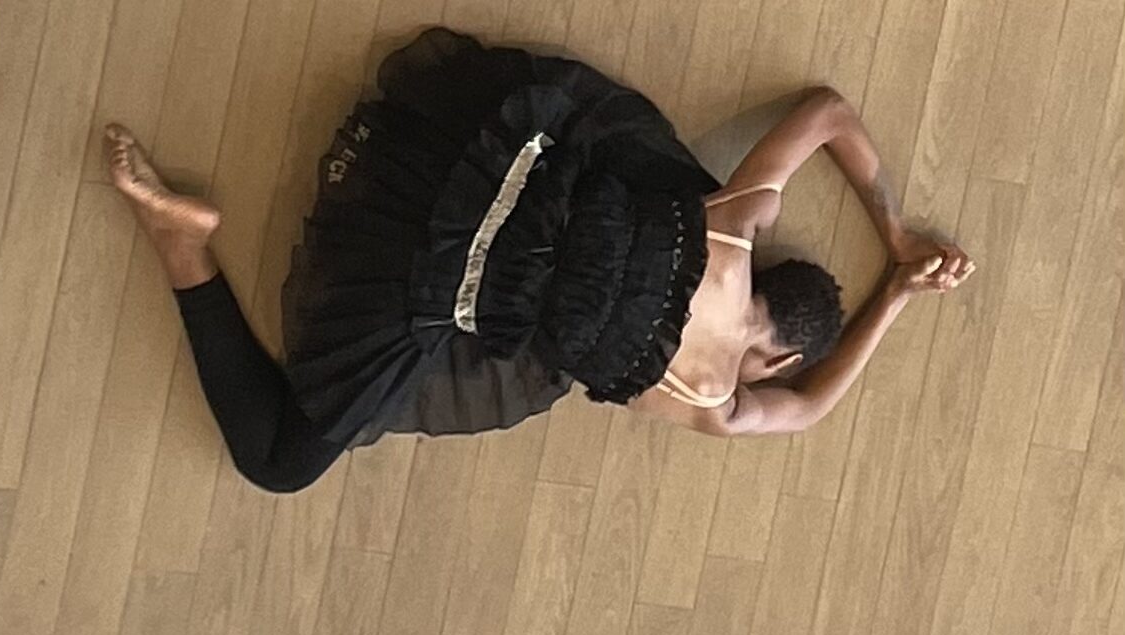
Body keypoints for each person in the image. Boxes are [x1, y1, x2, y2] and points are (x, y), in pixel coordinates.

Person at [104, 27, 974, 494]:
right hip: (431, 288)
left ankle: (186, 236)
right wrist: (894, 297)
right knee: (275, 460)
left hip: (480, 163)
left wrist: (896, 234)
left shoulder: (736, 224)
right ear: (777, 359)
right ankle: (182, 244)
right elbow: (812, 409)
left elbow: (828, 113)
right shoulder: (715, 403)